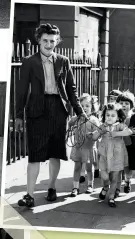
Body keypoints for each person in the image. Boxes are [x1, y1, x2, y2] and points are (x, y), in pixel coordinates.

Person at [15, 23, 87, 207]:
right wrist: (18, 115)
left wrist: (80, 111)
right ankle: (29, 195)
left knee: (56, 152)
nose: (49, 44)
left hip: (58, 109)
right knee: (35, 154)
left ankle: (52, 188)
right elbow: (22, 90)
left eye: (52, 41)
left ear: (57, 41)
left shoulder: (63, 60)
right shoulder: (29, 61)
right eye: (45, 40)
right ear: (38, 40)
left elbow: (71, 89)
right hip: (37, 110)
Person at [92, 103, 134, 207]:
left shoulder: (119, 126)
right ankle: (106, 187)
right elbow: (94, 137)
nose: (109, 117)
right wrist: (99, 132)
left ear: (118, 117)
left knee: (115, 178)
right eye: (107, 115)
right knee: (105, 176)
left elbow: (128, 131)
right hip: (104, 156)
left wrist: (116, 134)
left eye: (113, 115)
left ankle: (111, 197)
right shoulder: (103, 126)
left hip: (117, 156)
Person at [68, 93, 100, 197]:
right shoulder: (77, 118)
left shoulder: (94, 120)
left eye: (87, 106)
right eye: (82, 106)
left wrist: (93, 135)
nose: (84, 108)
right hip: (78, 147)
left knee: (89, 168)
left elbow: (99, 132)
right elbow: (70, 123)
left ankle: (90, 185)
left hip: (88, 148)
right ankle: (75, 187)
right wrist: (73, 120)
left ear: (92, 107)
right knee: (77, 167)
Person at [116, 91, 135, 194]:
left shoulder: (132, 117)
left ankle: (127, 181)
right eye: (121, 103)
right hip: (117, 146)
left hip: (129, 145)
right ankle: (117, 187)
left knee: (128, 166)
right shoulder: (115, 117)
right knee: (118, 167)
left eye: (126, 103)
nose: (124, 105)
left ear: (131, 105)